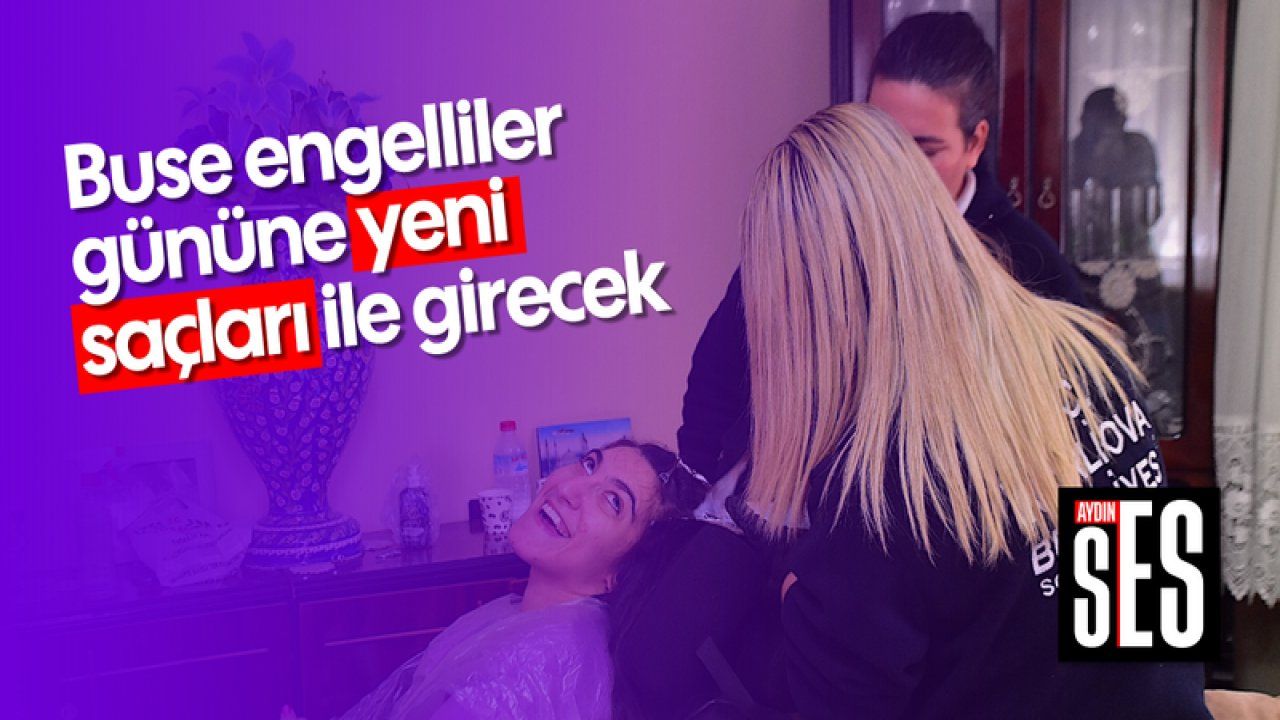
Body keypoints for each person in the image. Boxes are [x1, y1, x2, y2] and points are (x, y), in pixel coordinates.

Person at [738, 102, 1208, 719]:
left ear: (793, 305)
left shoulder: (873, 488)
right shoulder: (1088, 352)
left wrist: (800, 607)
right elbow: (1148, 630)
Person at [678, 11, 1084, 484]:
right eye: (881, 142)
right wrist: (697, 495)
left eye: (924, 150)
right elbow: (716, 385)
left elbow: (1084, 460)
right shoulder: (810, 229)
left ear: (975, 144)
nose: (896, 171)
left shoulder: (1032, 266)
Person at [326, 440, 708, 720]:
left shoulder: (536, 665)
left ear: (620, 574)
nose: (569, 489)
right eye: (589, 464)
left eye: (612, 501)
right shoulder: (519, 619)